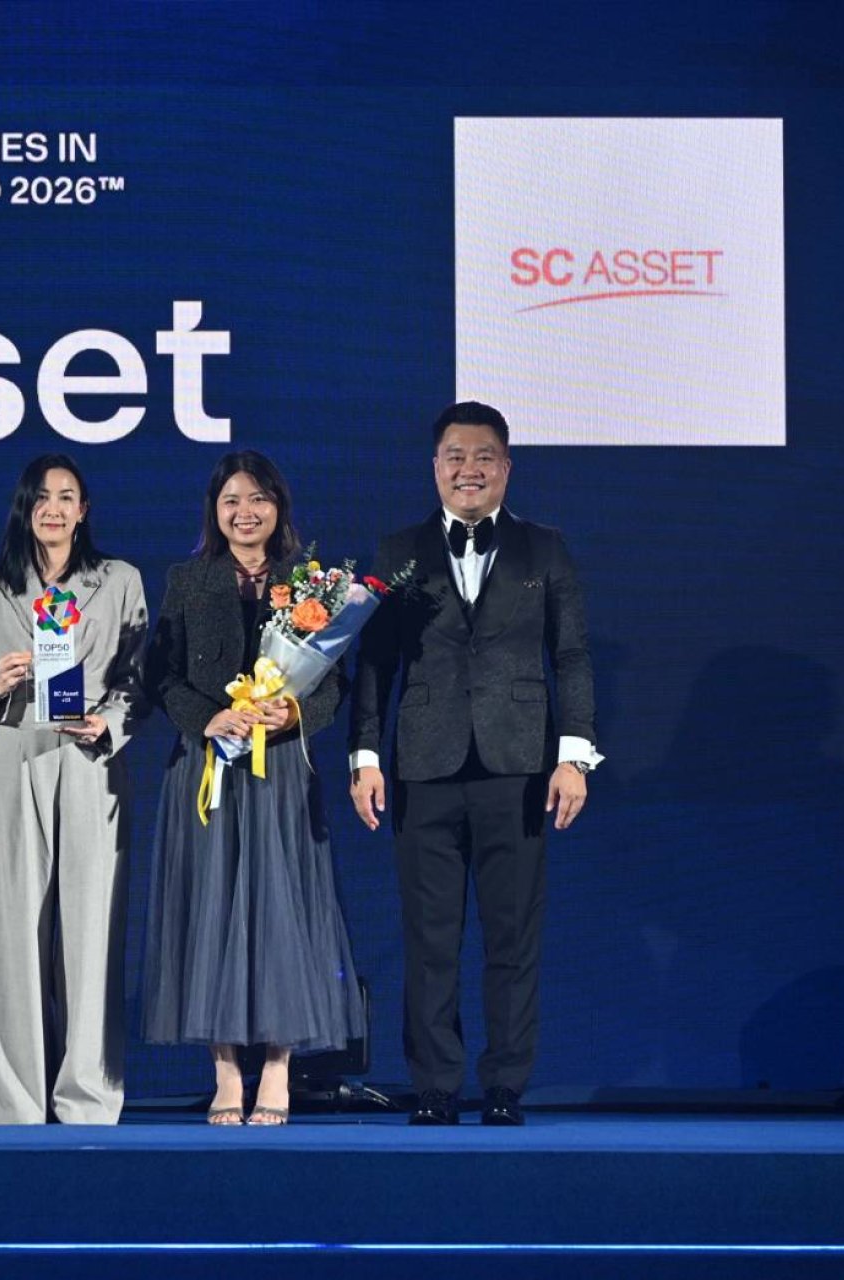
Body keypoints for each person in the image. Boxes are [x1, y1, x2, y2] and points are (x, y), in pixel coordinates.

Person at [348, 401, 599, 1126]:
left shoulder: (544, 548)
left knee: (513, 936)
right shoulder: (398, 549)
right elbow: (375, 661)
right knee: (429, 938)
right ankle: (434, 1086)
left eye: (484, 456)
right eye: (455, 456)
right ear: (435, 467)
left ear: (506, 467)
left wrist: (574, 757)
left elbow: (571, 655)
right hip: (422, 767)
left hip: (519, 767)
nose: (469, 469)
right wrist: (365, 754)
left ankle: (504, 1085)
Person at [140, 451, 366, 1125]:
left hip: (280, 771)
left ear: (279, 508)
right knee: (209, 911)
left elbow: (332, 684)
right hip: (207, 768)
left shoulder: (309, 583)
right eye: (232, 500)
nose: (246, 512)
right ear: (214, 510)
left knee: (281, 913)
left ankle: (276, 1068)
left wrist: (293, 714)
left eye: (259, 499)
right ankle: (224, 1072)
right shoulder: (187, 579)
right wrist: (207, 718)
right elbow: (161, 674)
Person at [0, 453, 146, 1124]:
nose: (54, 508)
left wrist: (109, 724)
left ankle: (87, 1097)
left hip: (90, 758)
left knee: (91, 933)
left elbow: (138, 678)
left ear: (84, 509)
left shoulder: (118, 580)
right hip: (18, 753)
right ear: (25, 509)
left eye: (66, 497)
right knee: (13, 931)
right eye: (41, 497)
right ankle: (16, 1100)